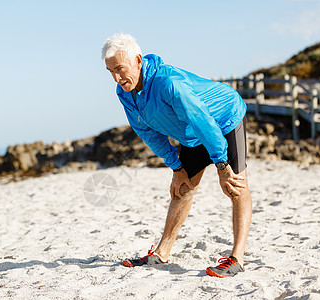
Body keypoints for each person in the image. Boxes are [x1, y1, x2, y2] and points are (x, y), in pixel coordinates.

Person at [101, 33, 252, 278]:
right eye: (110, 72)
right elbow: (147, 132)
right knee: (182, 188)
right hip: (193, 133)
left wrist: (222, 166)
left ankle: (237, 258)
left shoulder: (168, 83)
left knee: (235, 185)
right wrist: (176, 167)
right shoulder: (124, 93)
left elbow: (202, 120)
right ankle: (161, 253)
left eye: (120, 69)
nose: (117, 78)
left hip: (224, 120)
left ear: (138, 60)